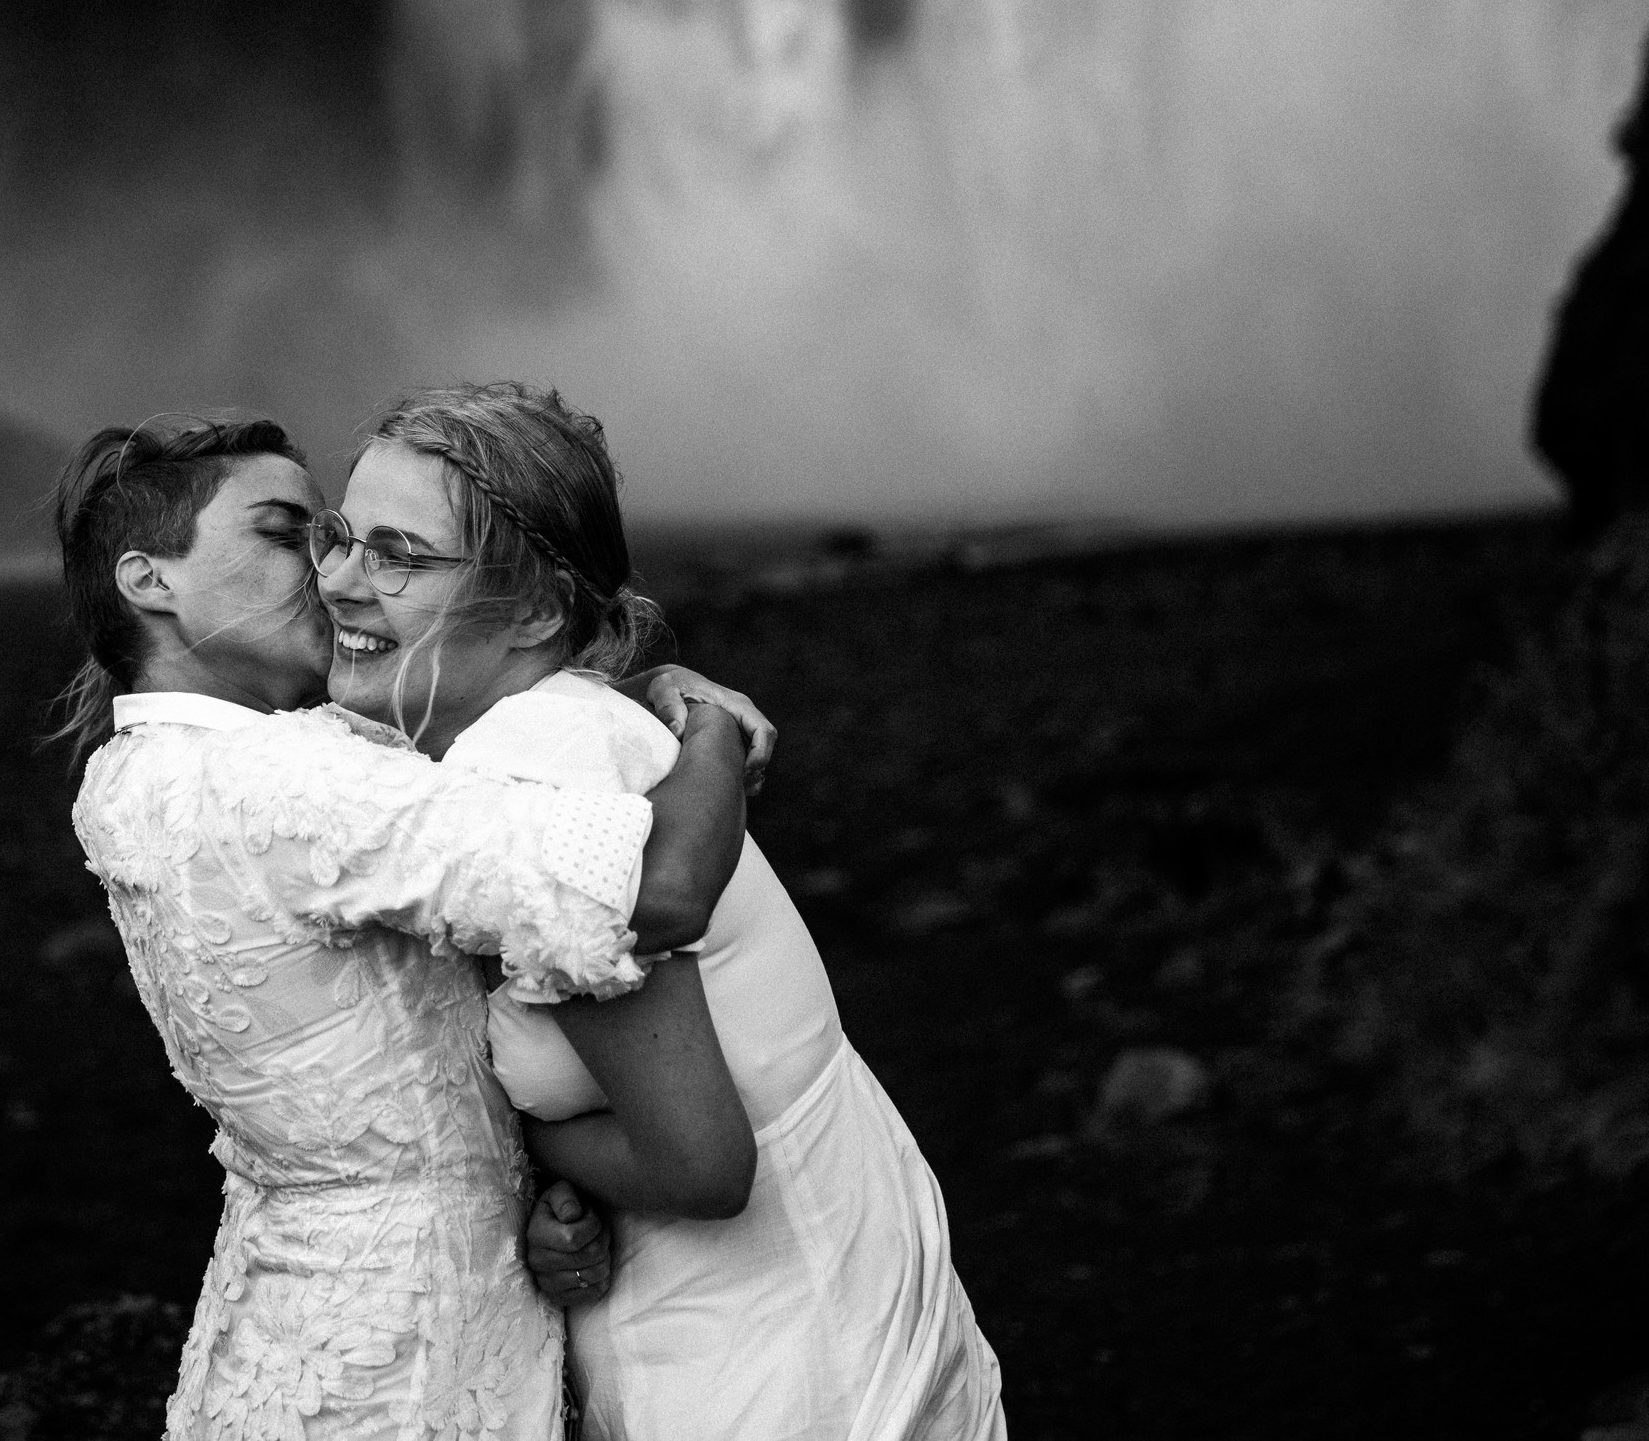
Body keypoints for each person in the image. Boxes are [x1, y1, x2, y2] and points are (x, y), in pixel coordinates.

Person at [313, 382, 1006, 1441]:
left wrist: (533, 1160)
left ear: (539, 610)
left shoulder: (536, 767)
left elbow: (699, 1166)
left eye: (398, 555)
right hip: (801, 1298)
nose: (340, 583)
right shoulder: (553, 730)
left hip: (768, 1363)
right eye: (338, 538)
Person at [55, 414, 763, 1440]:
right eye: (282, 530)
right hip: (409, 1349)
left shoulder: (130, 777)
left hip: (289, 1308)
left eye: (332, 532)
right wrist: (706, 726)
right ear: (148, 581)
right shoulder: (282, 784)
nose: (328, 567)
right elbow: (651, 895)